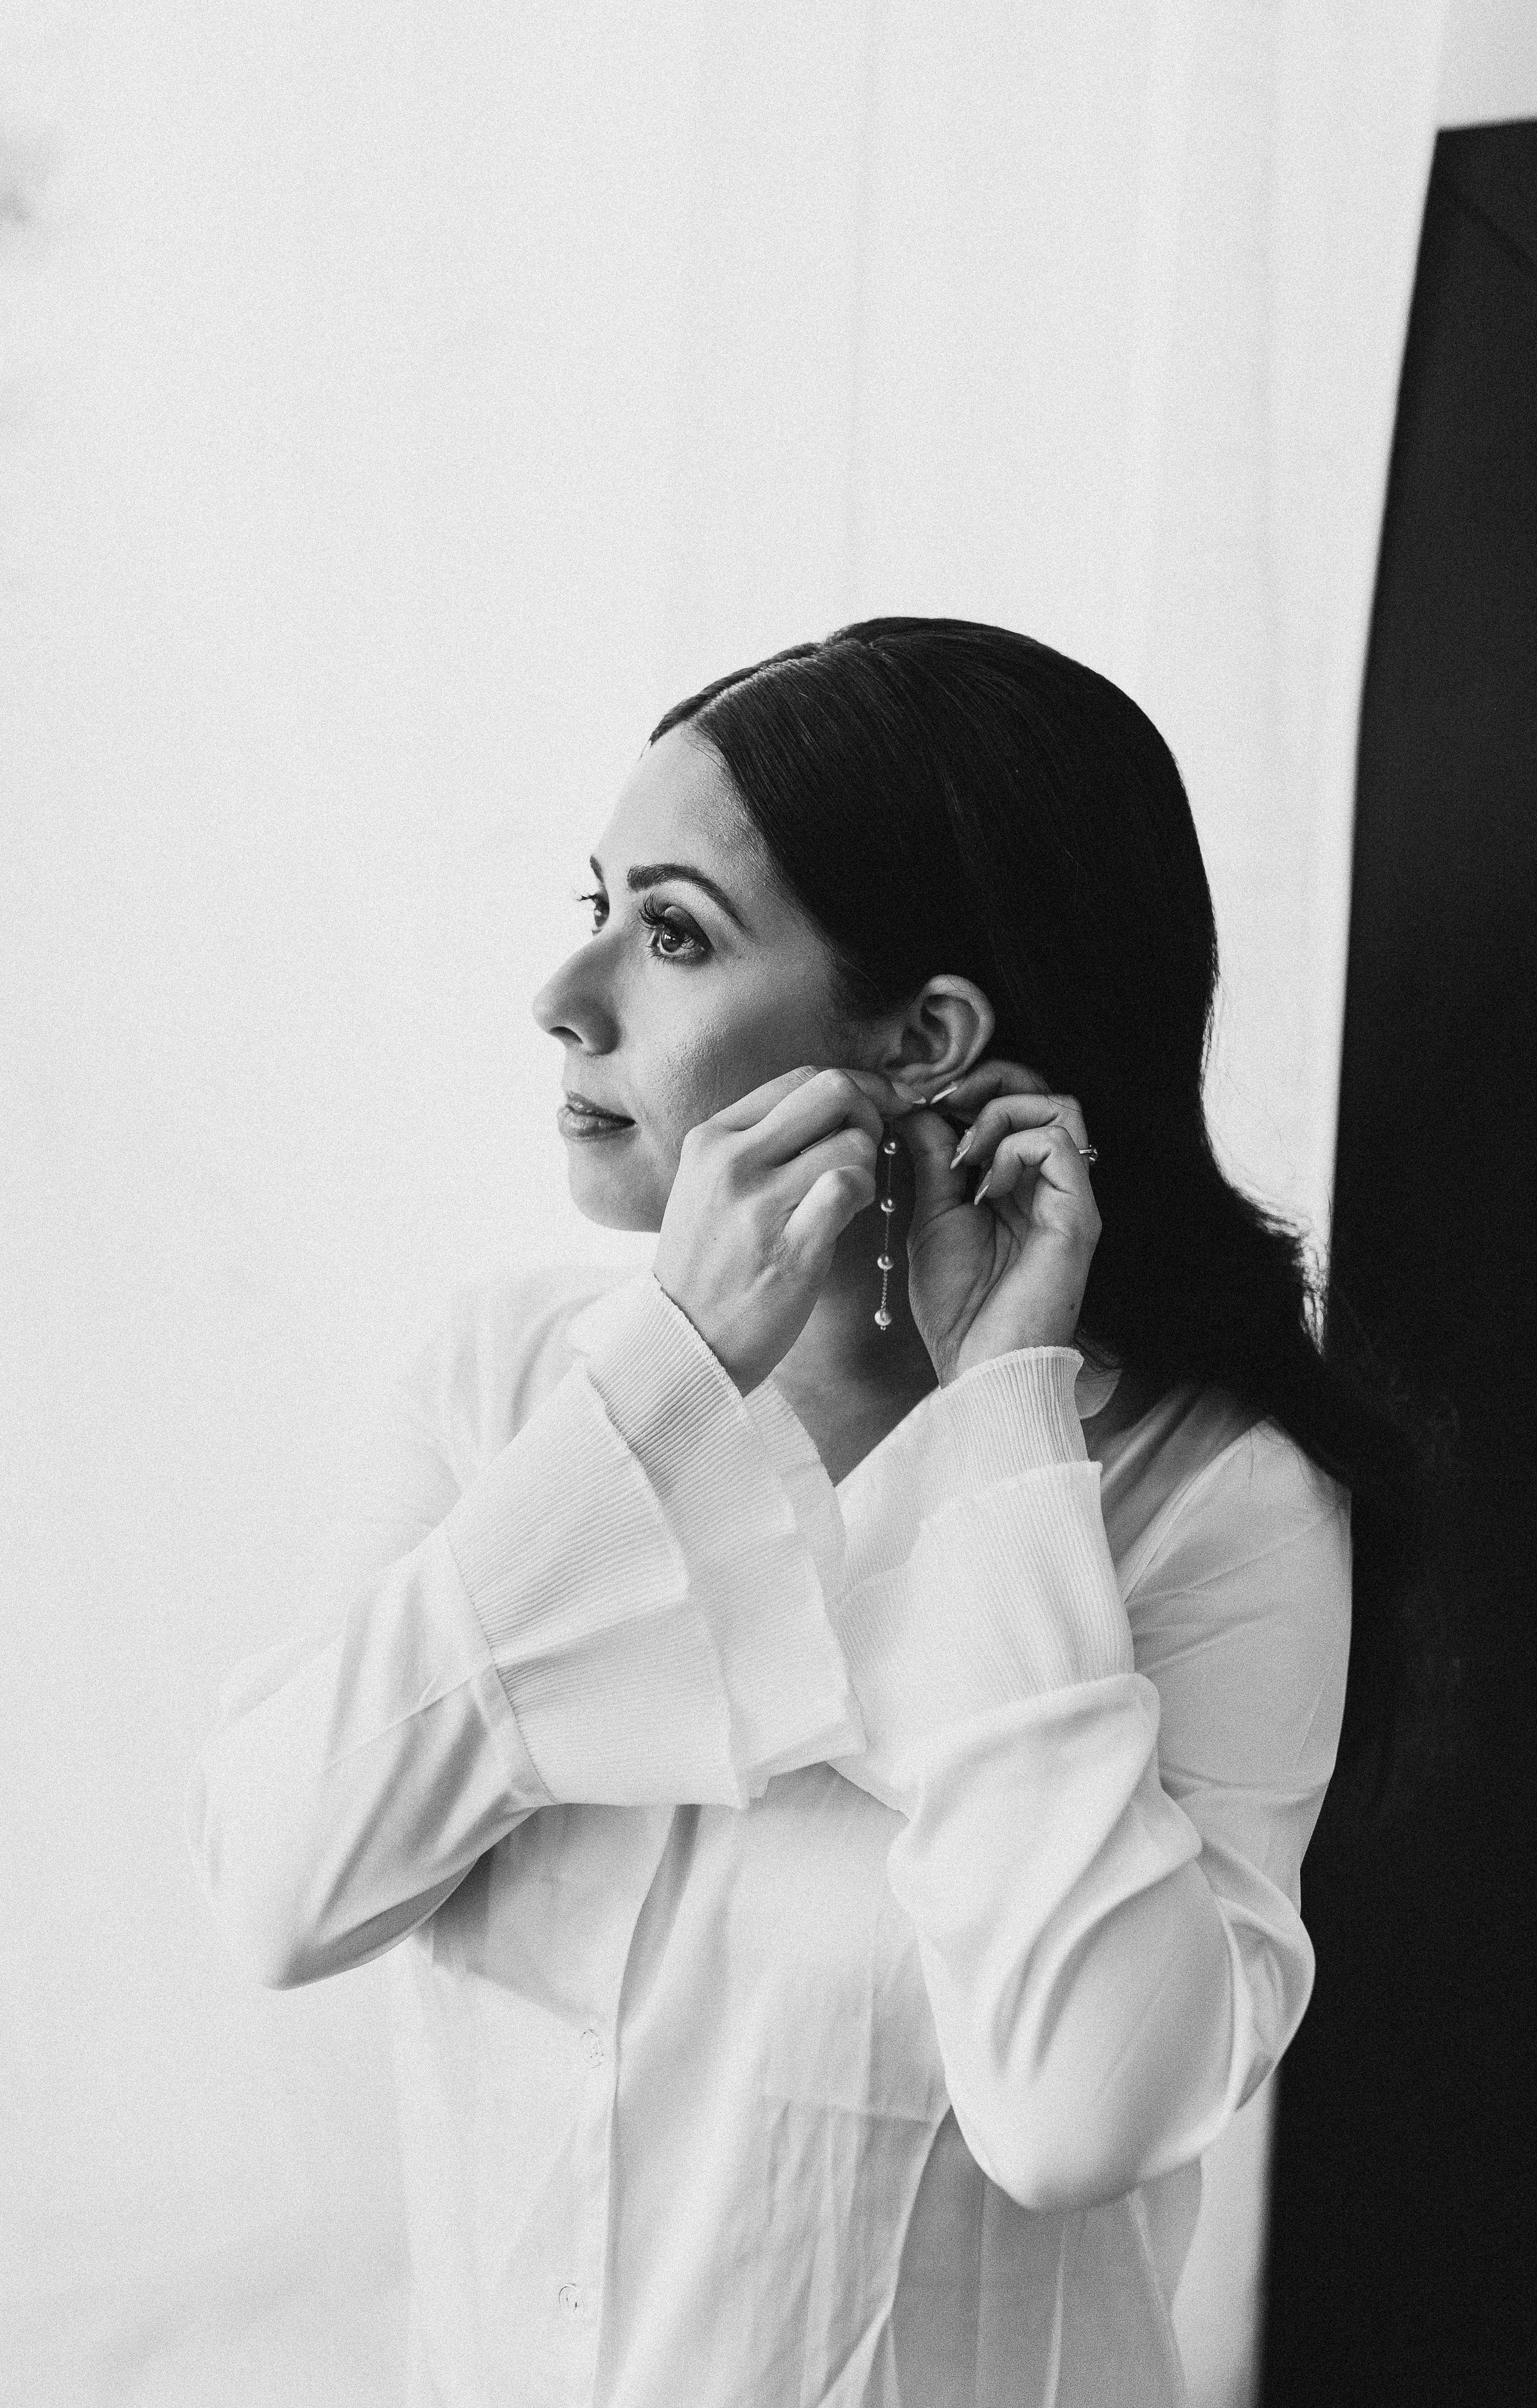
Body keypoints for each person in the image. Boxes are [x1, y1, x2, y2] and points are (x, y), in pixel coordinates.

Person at [189, 618, 1443, 2407]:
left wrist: (1001, 1430)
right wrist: (666, 1376)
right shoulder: (507, 1382)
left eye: (675, 931)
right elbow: (282, 1884)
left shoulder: (1210, 1505)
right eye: (595, 901)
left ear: (924, 1038)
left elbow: (1079, 2107)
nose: (567, 989)